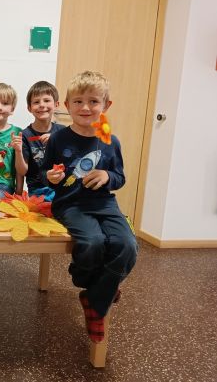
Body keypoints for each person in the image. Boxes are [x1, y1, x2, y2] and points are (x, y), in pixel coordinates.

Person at [42, 71, 138, 343]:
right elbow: (44, 173)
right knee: (94, 242)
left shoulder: (111, 141)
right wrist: (51, 176)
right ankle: (92, 284)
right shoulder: (58, 139)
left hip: (105, 204)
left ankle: (94, 297)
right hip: (70, 204)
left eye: (94, 101)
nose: (86, 108)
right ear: (66, 106)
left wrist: (108, 176)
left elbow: (120, 177)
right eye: (78, 101)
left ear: (106, 106)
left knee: (128, 245)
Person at [13, 81, 65, 199]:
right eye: (36, 102)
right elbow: (22, 171)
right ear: (29, 108)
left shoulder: (63, 132)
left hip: (62, 186)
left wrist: (56, 141)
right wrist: (18, 151)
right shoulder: (25, 135)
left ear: (56, 104)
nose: (41, 105)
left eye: (46, 100)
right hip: (38, 190)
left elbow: (71, 160)